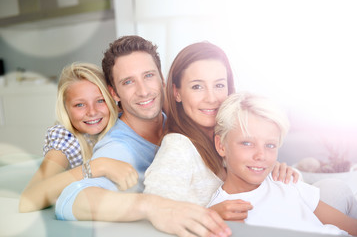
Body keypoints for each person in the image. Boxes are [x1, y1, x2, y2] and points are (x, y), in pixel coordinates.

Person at [55, 36, 232, 237]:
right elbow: (70, 200)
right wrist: (152, 206)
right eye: (128, 81)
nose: (144, 91)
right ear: (114, 93)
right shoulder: (118, 148)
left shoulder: (179, 120)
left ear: (162, 80)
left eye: (148, 76)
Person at [144, 41, 298, 221]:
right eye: (197, 86)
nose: (211, 99)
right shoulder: (178, 146)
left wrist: (273, 170)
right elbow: (153, 208)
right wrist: (209, 215)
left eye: (219, 85)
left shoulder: (229, 135)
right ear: (176, 92)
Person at [207, 92, 357, 236]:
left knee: (335, 186)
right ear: (221, 145)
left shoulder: (284, 182)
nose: (261, 155)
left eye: (270, 145)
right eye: (247, 143)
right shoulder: (222, 212)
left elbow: (351, 226)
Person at [19, 62, 138, 213]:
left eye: (100, 101)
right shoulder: (68, 141)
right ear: (65, 108)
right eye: (80, 105)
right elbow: (28, 201)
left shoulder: (122, 122)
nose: (92, 112)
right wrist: (98, 166)